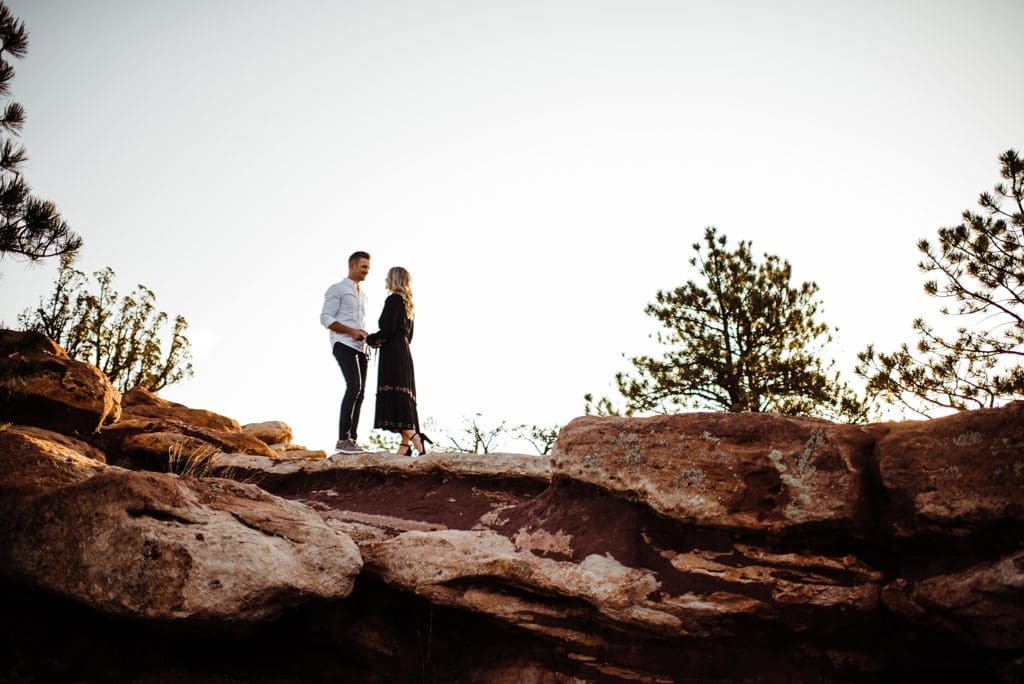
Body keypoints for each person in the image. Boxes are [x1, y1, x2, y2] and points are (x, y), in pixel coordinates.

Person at [366, 266, 431, 456]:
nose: (385, 280)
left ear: (393, 279)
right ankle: (404, 448)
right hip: (404, 352)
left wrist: (369, 339)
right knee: (402, 398)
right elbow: (409, 336)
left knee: (394, 394)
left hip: (393, 353)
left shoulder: (393, 299)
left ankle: (415, 437)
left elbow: (386, 329)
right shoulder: (409, 306)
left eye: (387, 277)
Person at [320, 251, 371, 454]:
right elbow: (325, 318)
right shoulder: (338, 289)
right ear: (352, 266)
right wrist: (350, 331)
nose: (367, 271)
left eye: (368, 267)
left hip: (361, 347)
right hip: (343, 344)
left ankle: (353, 440)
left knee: (361, 394)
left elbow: (358, 323)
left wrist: (363, 334)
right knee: (354, 387)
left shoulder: (364, 295)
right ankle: (343, 439)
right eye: (363, 267)